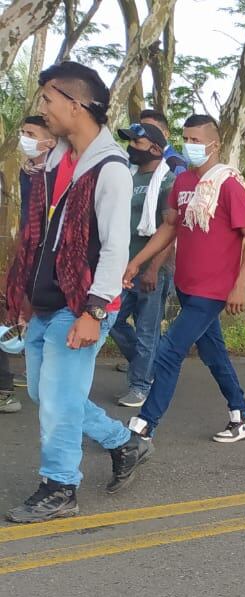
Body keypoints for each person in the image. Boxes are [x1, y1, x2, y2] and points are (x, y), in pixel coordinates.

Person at [4, 62, 150, 522]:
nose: (42, 108)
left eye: (48, 99)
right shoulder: (54, 160)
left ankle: (60, 487)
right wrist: (26, 290)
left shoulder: (110, 168)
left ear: (76, 103)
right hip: (46, 299)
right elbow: (41, 235)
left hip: (81, 302)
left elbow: (114, 247)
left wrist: (95, 310)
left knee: (60, 401)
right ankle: (123, 442)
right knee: (45, 396)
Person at [122, 113, 245, 444]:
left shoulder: (227, 184)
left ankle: (145, 425)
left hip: (213, 290)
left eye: (197, 140)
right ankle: (242, 415)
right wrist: (137, 262)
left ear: (215, 144)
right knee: (214, 354)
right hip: (187, 285)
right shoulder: (183, 183)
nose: (190, 146)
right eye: (186, 139)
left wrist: (240, 285)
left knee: (169, 351)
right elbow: (169, 228)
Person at [107, 120, 175, 408]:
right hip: (122, 266)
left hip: (150, 269)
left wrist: (151, 267)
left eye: (137, 142)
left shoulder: (168, 182)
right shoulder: (128, 177)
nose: (131, 147)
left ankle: (140, 385)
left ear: (156, 148)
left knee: (148, 331)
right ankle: (151, 367)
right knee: (113, 321)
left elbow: (170, 231)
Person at [1, 115, 58, 415]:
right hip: (26, 253)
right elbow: (26, 222)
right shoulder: (28, 173)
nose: (24, 138)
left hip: (46, 260)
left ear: (50, 141)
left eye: (31, 133)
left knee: (41, 317)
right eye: (22, 132)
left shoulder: (57, 175)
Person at [138, 108, 187, 174]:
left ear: (166, 134)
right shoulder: (138, 159)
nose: (145, 134)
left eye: (151, 129)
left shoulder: (175, 163)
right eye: (142, 130)